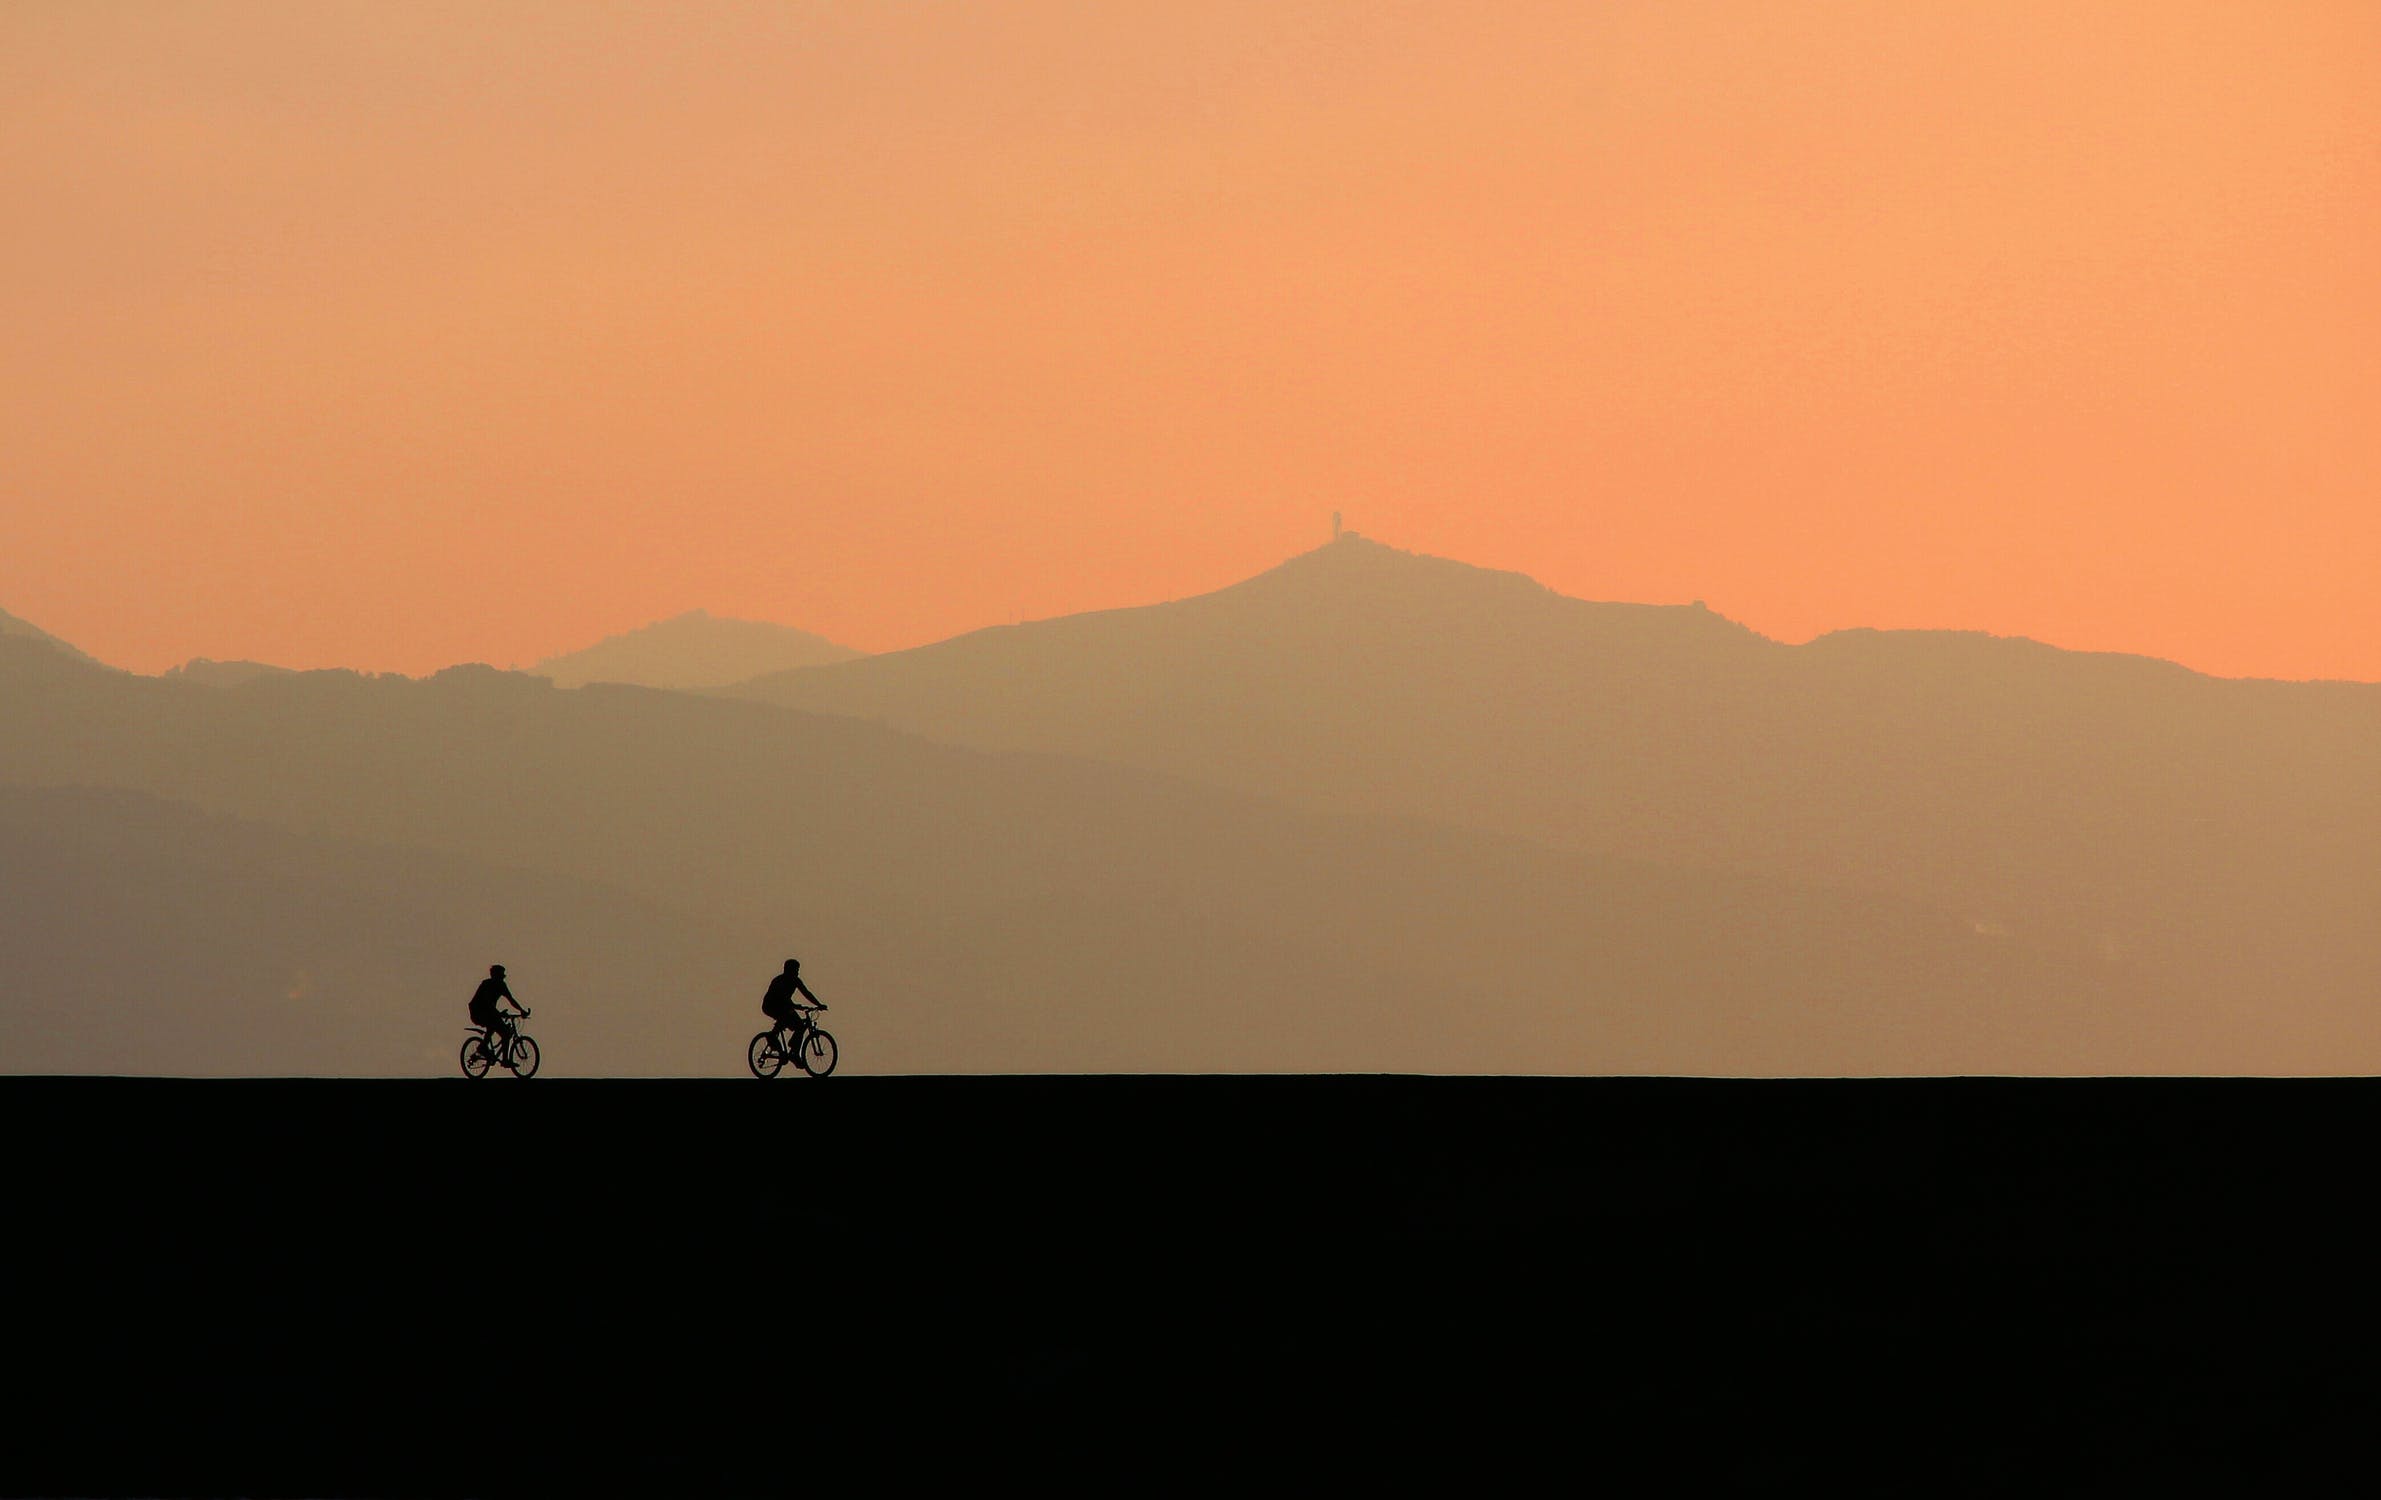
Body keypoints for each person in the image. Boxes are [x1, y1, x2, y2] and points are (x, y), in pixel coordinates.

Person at [469, 964, 527, 1061]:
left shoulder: (502, 985)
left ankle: (486, 1049)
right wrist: (499, 1014)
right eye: (500, 975)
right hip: (478, 1012)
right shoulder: (486, 984)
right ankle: (502, 1059)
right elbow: (487, 1003)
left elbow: (511, 999)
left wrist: (521, 1010)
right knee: (502, 1031)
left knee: (500, 1029)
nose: (502, 978)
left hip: (490, 1013)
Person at [761, 958, 821, 1049]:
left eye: (798, 970)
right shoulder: (779, 981)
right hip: (771, 1006)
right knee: (790, 1019)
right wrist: (795, 1006)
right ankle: (773, 1036)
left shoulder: (796, 980)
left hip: (784, 1006)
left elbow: (806, 993)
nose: (797, 972)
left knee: (798, 1024)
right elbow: (782, 998)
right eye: (796, 970)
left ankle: (793, 1049)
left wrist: (818, 1004)